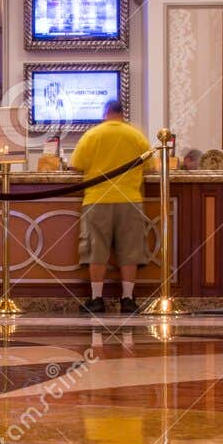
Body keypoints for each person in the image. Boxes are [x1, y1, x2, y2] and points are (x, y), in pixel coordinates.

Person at [68, 100, 153, 314]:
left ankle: (96, 299)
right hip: (130, 199)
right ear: (122, 113)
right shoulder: (137, 136)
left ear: (105, 112)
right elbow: (151, 167)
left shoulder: (92, 135)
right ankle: (127, 299)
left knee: (96, 249)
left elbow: (74, 165)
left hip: (97, 199)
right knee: (130, 249)